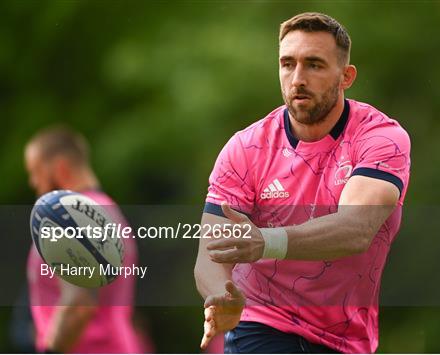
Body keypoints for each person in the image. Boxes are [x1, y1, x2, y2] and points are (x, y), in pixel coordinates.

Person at [194, 12, 411, 353]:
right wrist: (220, 296)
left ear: (346, 76)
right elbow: (210, 255)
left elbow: (356, 229)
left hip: (347, 339)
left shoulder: (380, 138)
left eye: (314, 65)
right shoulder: (246, 148)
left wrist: (265, 242)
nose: (297, 79)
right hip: (261, 325)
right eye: (287, 63)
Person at [24, 126, 146, 353]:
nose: (33, 182)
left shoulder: (67, 214)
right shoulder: (109, 209)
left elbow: (79, 304)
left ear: (60, 167)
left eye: (36, 171)